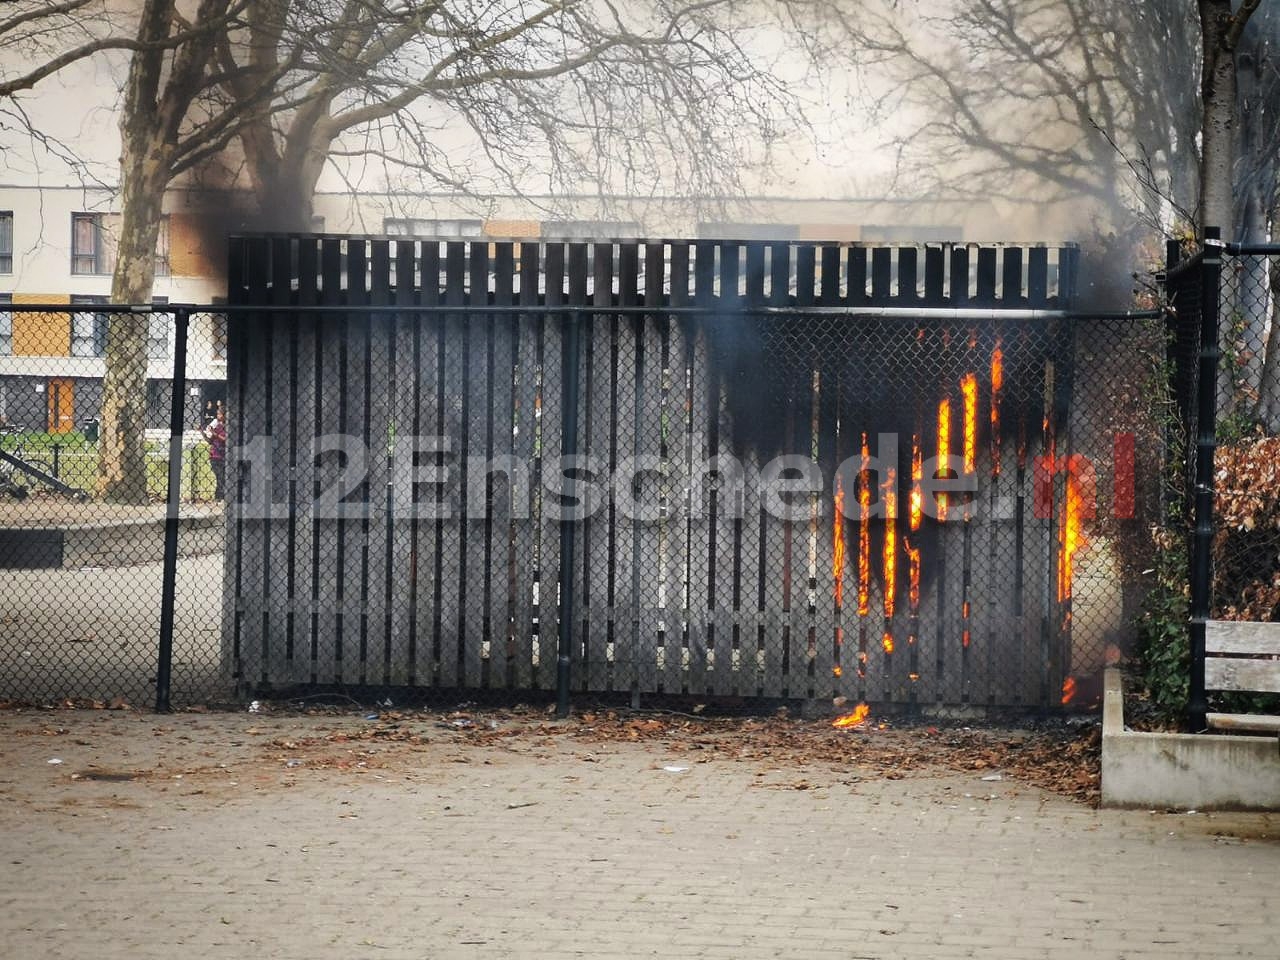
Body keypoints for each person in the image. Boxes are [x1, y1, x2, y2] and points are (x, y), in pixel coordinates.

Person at [202, 403, 227, 500]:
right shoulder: (216, 427)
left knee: (223, 477)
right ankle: (219, 497)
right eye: (217, 414)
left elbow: (225, 439)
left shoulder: (227, 427)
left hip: (224, 455)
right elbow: (210, 441)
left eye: (219, 414)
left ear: (224, 415)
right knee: (220, 477)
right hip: (215, 456)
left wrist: (215, 434)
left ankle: (220, 497)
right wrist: (202, 432)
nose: (217, 416)